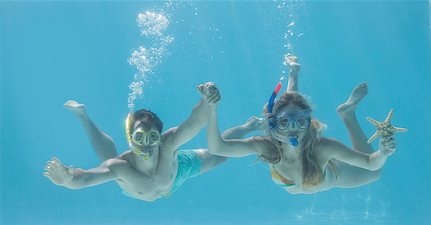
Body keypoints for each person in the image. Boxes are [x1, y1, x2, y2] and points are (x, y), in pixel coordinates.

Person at [206, 54, 397, 194]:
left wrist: (383, 153)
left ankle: (348, 115)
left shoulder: (322, 148)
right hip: (303, 175)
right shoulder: (267, 147)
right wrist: (212, 107)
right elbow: (217, 148)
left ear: (308, 122)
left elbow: (371, 164)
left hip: (331, 175)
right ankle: (295, 73)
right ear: (273, 125)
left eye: (300, 121)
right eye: (284, 122)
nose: (293, 128)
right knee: (290, 105)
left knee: (375, 173)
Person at [44, 82, 261, 202]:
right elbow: (84, 179)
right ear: (130, 138)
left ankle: (247, 126)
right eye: (139, 137)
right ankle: (83, 116)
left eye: (152, 137)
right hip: (133, 180)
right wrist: (67, 178)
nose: (146, 144)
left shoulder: (168, 144)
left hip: (178, 172)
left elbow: (195, 122)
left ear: (160, 137)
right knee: (108, 159)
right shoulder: (120, 167)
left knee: (220, 154)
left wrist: (207, 100)